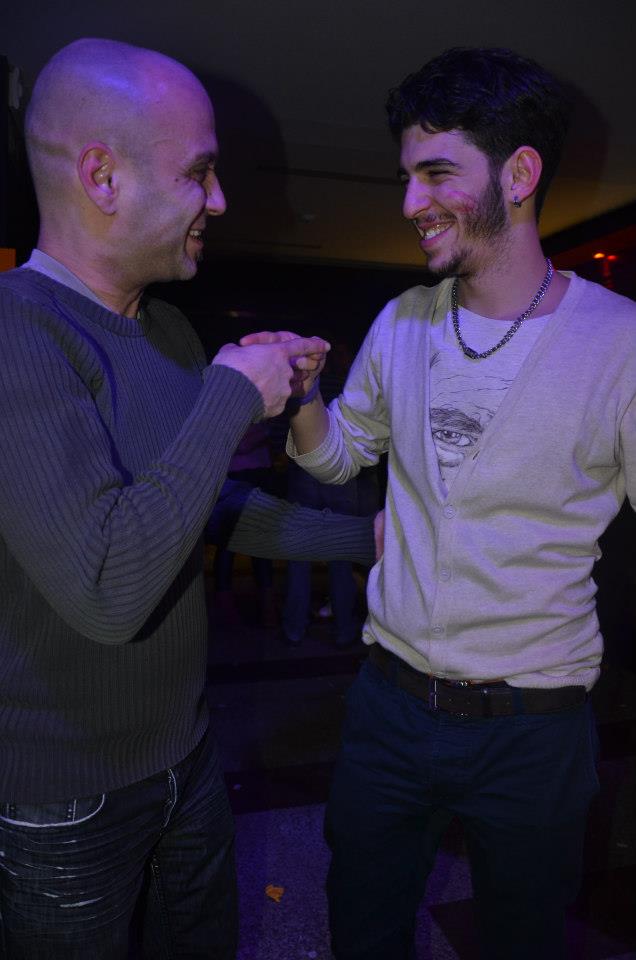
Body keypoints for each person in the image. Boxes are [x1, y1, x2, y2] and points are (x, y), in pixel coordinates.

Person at [246, 47, 636, 960]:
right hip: (389, 708)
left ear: (519, 174)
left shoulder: (619, 343)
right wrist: (303, 397)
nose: (410, 203)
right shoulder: (404, 321)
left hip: (534, 729)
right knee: (363, 927)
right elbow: (341, 456)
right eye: (406, 178)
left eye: (435, 174)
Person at [0, 38, 379, 959]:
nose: (220, 201)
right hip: (64, 797)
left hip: (188, 753)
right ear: (102, 177)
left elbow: (202, 516)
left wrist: (372, 538)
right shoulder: (18, 330)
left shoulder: (166, 330)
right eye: (200, 173)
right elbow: (109, 586)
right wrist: (230, 394)